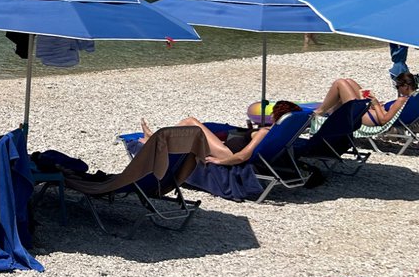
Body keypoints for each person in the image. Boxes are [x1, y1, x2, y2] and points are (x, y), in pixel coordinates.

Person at [140, 100, 305, 167]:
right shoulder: (282, 133)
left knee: (191, 122)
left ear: (277, 114)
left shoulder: (264, 131)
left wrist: (220, 161)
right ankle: (156, 139)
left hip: (227, 153)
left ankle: (154, 140)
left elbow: (243, 156)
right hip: (227, 149)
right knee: (191, 132)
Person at [312, 77, 393, 127]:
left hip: (364, 115)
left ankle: (319, 112)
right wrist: (377, 104)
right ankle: (331, 111)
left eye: (398, 86)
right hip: (369, 110)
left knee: (339, 83)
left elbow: (383, 120)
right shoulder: (403, 100)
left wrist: (376, 105)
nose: (397, 87)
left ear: (406, 87)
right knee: (349, 81)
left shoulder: (401, 100)